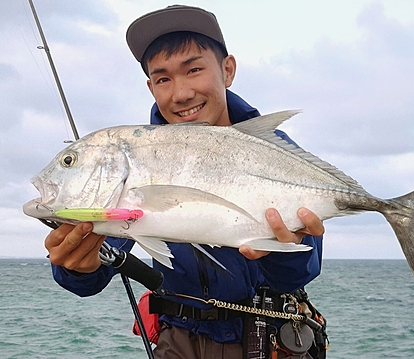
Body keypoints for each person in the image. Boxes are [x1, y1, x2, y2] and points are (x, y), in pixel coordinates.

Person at [45, 5, 325, 359]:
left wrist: (284, 253)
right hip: (177, 340)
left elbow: (302, 272)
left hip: (263, 338)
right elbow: (95, 273)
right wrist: (78, 266)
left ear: (227, 70)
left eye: (193, 70)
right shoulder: (137, 159)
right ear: (151, 87)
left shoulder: (273, 150)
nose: (180, 94)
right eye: (163, 79)